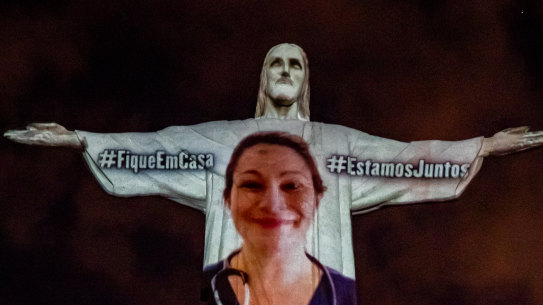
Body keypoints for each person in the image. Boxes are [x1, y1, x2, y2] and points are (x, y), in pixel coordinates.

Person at [4, 43, 543, 278]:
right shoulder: (224, 140)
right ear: (263, 79)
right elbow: (156, 148)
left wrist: (483, 148)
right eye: (275, 63)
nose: (285, 70)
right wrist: (80, 139)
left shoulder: (337, 145)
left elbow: (403, 161)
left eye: (295, 64)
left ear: (306, 80)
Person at [202, 131, 356, 305]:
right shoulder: (199, 283)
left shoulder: (351, 294)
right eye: (252, 184)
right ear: (227, 199)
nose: (272, 204)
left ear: (317, 199)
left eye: (292, 185)